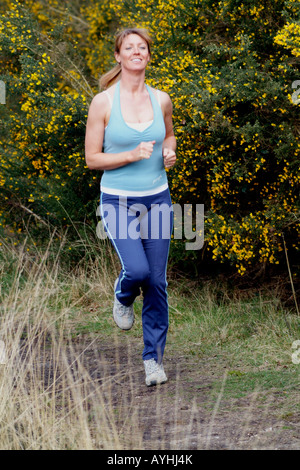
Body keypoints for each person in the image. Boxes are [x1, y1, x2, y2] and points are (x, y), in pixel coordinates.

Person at [85, 28, 176, 386]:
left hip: (158, 198)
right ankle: (122, 296)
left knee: (156, 281)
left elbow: (168, 135)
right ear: (119, 57)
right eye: (129, 47)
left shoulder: (162, 99)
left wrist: (169, 153)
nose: (136, 52)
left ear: (148, 56)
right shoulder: (103, 102)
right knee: (136, 272)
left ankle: (153, 359)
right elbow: (92, 158)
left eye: (142, 47)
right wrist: (130, 155)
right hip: (118, 200)